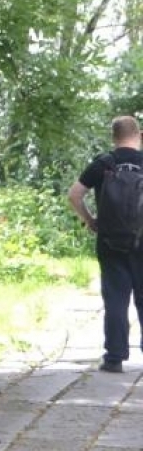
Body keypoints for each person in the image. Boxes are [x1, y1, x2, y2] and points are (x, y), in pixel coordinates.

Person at [67, 115, 143, 372]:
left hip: (110, 241)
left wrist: (90, 220)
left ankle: (114, 358)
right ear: (139, 134)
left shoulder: (104, 163)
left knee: (115, 298)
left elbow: (75, 194)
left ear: (114, 137)